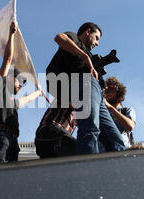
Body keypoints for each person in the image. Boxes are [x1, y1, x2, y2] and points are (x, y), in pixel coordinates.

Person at [48, 22, 126, 155]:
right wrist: (84, 56)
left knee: (116, 141)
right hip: (84, 84)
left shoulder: (87, 54)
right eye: (97, 38)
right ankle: (88, 168)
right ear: (88, 31)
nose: (97, 43)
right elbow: (59, 38)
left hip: (96, 94)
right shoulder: (74, 38)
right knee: (90, 128)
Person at [0, 21, 45, 163]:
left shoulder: (11, 102)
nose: (21, 85)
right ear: (9, 77)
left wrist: (38, 93)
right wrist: (11, 35)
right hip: (1, 136)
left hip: (13, 140)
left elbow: (25, 100)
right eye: (20, 80)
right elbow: (7, 60)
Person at [103, 76, 136, 149]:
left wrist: (111, 108)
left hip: (121, 152)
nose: (107, 93)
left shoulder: (126, 110)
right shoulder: (102, 112)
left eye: (110, 90)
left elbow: (130, 126)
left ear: (118, 91)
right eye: (106, 90)